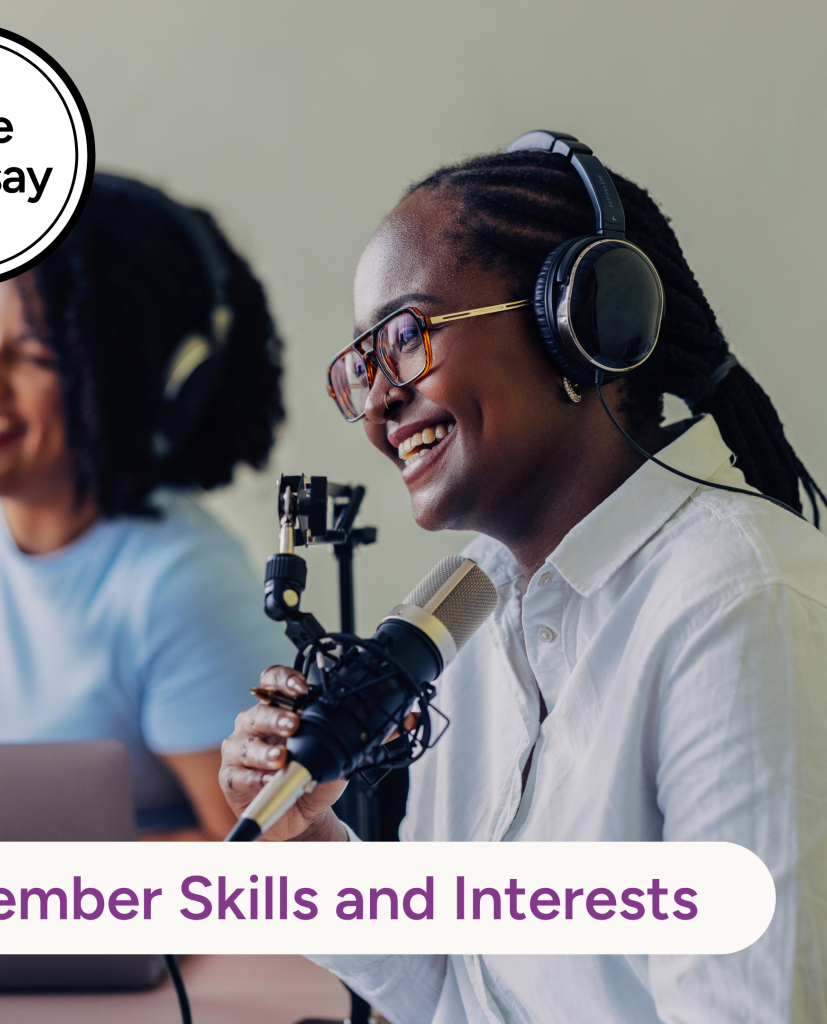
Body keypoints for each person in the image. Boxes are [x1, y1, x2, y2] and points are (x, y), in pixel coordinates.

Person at [219, 142, 827, 1020]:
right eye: (361, 365)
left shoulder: (739, 610)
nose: (381, 399)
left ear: (582, 323)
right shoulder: (463, 611)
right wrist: (306, 840)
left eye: (406, 336)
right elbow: (458, 992)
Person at [0, 173, 291, 841]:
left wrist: (9, 881)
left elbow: (259, 856)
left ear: (133, 387)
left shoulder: (183, 586)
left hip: (121, 930)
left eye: (37, 354)